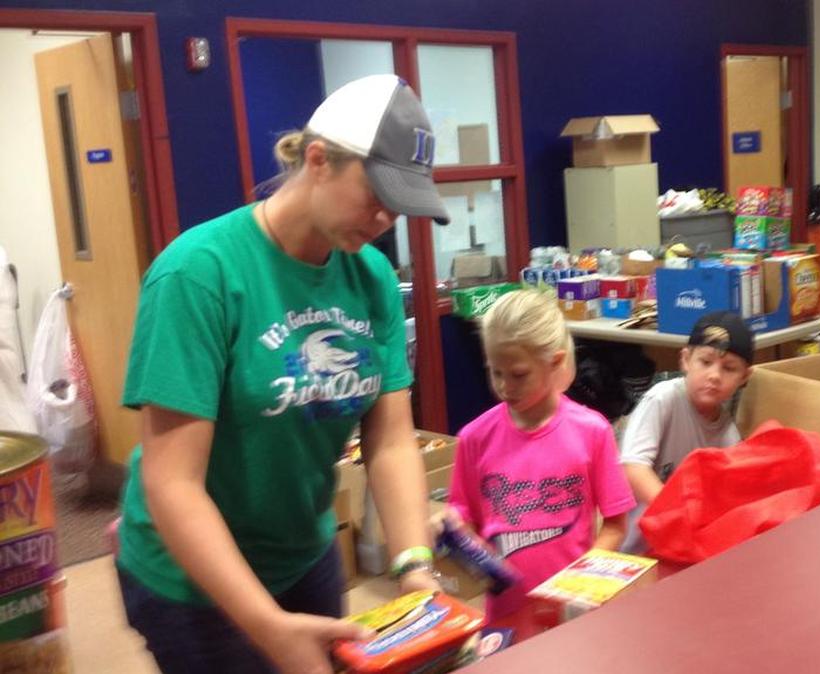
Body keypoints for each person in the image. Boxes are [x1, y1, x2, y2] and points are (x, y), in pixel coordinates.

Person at [116, 74, 447, 674]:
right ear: (318, 160)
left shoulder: (369, 277)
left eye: (397, 207)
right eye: (374, 195)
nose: (383, 220)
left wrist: (413, 563)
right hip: (192, 578)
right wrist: (266, 626)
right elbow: (173, 483)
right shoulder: (198, 274)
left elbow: (392, 439)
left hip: (304, 553)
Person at [445, 290, 636, 618]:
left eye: (518, 374)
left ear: (556, 362)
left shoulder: (592, 431)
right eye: (496, 372)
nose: (505, 386)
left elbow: (616, 525)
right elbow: (464, 520)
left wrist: (577, 583)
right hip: (506, 613)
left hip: (573, 611)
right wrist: (453, 530)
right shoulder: (474, 438)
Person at [619, 311, 754, 554]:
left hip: (683, 549)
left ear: (745, 377)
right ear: (685, 359)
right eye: (705, 362)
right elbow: (633, 466)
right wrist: (676, 511)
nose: (714, 375)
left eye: (729, 368)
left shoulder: (728, 434)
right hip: (637, 550)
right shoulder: (663, 399)